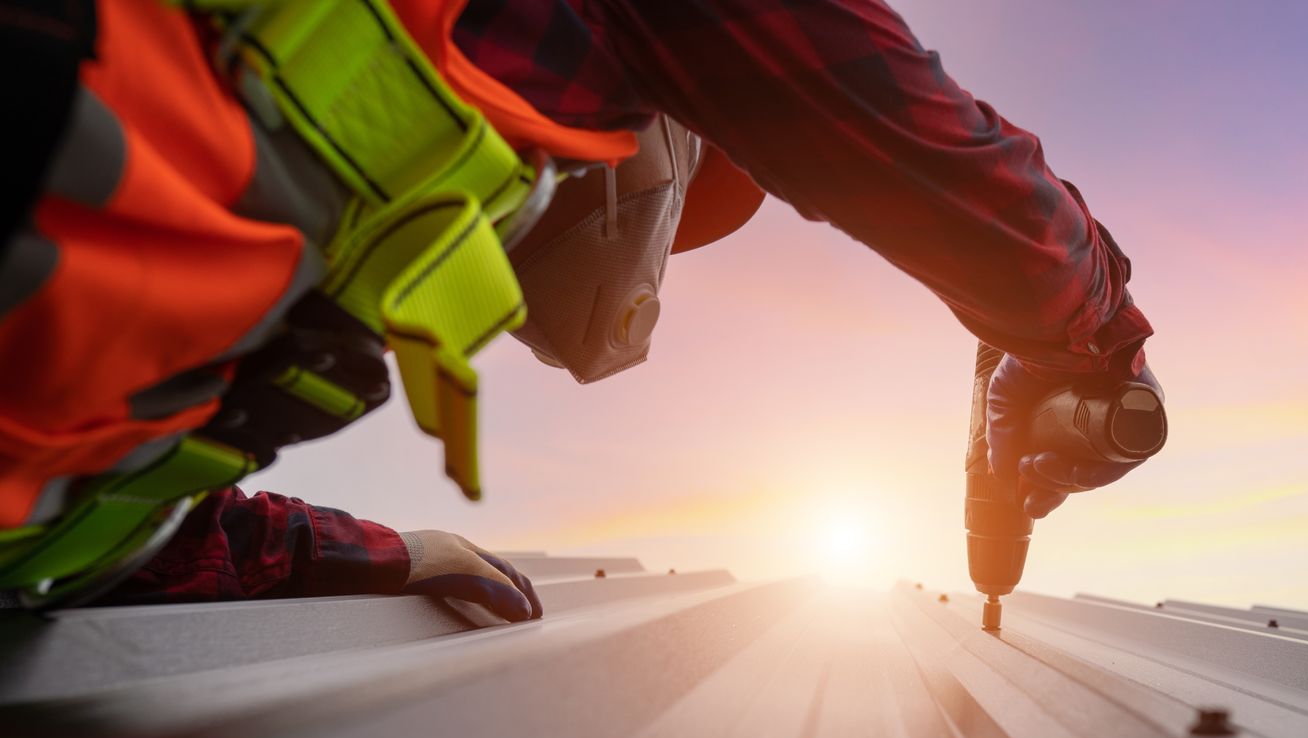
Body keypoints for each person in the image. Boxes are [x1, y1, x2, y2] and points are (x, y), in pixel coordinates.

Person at [0, 0, 1159, 621]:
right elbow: (909, 139)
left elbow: (84, 540)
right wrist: (1094, 331)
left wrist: (373, 557)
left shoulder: (254, 268)